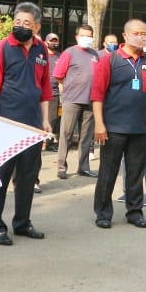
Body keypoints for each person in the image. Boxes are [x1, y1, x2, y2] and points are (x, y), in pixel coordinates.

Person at [0, 2, 53, 245]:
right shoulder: (2, 48)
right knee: (0, 176)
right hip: (4, 123)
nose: (20, 27)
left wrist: (45, 120)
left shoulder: (41, 49)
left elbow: (44, 88)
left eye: (26, 23)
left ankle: (22, 223)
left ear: (36, 26)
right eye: (17, 22)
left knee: (27, 177)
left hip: (32, 125)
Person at [90, 18, 146, 229]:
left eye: (144, 33)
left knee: (136, 173)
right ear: (125, 36)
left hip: (140, 128)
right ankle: (103, 213)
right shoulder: (110, 60)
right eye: (136, 33)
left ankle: (135, 212)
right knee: (108, 172)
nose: (141, 37)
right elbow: (97, 94)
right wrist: (99, 124)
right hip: (113, 128)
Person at [53, 24, 100, 179]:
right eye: (83, 35)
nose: (87, 38)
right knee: (65, 134)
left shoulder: (95, 54)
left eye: (89, 35)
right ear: (77, 37)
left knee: (86, 136)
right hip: (72, 100)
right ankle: (61, 167)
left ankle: (83, 167)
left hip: (91, 101)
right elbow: (58, 74)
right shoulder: (69, 52)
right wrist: (70, 87)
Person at [44, 33, 61, 156]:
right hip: (41, 92)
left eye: (56, 41)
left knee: (52, 119)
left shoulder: (60, 57)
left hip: (54, 93)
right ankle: (39, 142)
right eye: (52, 41)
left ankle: (49, 143)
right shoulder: (41, 55)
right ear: (46, 42)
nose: (54, 43)